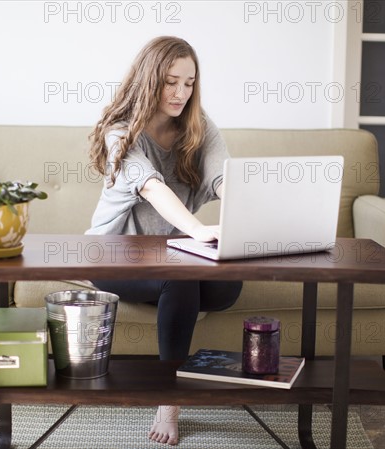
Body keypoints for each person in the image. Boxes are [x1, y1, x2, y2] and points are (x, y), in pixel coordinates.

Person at [85, 36, 243, 446]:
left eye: (189, 83)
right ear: (148, 80)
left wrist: (249, 210)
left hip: (174, 256)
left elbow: (223, 177)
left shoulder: (199, 125)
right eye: (170, 82)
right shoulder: (121, 133)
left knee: (228, 285)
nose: (180, 93)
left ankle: (175, 296)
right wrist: (198, 229)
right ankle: (169, 400)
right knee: (181, 280)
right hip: (112, 254)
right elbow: (151, 187)